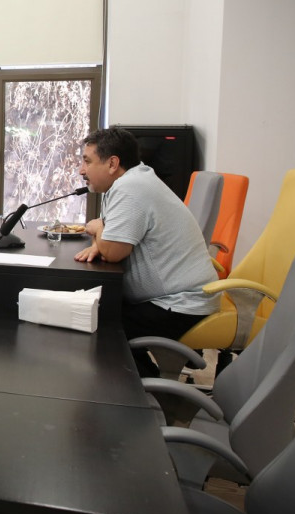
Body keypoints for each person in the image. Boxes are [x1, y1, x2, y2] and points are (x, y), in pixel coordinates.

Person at [73, 127, 220, 378]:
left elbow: (113, 252)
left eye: (87, 161)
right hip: (177, 297)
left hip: (179, 304)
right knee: (102, 313)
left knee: (100, 327)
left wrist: (97, 229)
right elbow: (113, 235)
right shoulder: (133, 181)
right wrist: (102, 236)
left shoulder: (130, 188)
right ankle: (148, 384)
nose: (81, 170)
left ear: (112, 164)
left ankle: (147, 392)